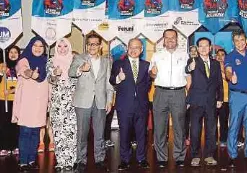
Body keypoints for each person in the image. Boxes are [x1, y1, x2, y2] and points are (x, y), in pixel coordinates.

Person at [68, 34, 114, 172]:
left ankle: (100, 159)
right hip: (82, 102)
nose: (92, 46)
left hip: (100, 101)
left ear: (100, 46)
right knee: (82, 133)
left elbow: (108, 82)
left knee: (100, 134)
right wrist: (81, 69)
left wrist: (110, 100)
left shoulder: (107, 61)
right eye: (89, 44)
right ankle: (81, 160)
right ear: (86, 45)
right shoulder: (79, 58)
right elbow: (71, 72)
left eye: (95, 44)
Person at [149, 29, 190, 168]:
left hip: (179, 93)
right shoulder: (156, 55)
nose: (170, 40)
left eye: (173, 38)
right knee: (160, 127)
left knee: (179, 127)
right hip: (160, 93)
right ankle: (161, 157)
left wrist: (189, 95)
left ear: (177, 39)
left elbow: (188, 76)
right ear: (163, 40)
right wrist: (152, 73)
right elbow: (152, 74)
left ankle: (179, 156)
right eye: (167, 38)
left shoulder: (184, 55)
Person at [110, 38, 151, 170]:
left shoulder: (146, 65)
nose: (134, 50)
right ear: (127, 48)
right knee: (125, 133)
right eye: (131, 47)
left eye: (137, 47)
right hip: (124, 105)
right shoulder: (118, 64)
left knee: (141, 133)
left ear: (141, 49)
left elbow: (147, 84)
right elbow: (112, 80)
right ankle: (125, 159)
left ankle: (141, 158)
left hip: (141, 105)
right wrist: (118, 78)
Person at [12, 36, 49, 171]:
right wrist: (30, 73)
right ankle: (23, 161)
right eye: (35, 45)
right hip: (27, 103)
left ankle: (32, 160)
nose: (38, 48)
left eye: (41, 46)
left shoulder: (46, 62)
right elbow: (22, 69)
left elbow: (50, 81)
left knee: (35, 133)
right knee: (25, 132)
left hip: (40, 103)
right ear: (30, 46)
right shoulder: (24, 60)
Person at [186, 37, 223, 167]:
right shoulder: (193, 60)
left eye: (206, 46)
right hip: (197, 101)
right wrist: (190, 67)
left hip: (211, 102)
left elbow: (219, 83)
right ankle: (195, 156)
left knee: (211, 130)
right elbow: (187, 69)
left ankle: (209, 155)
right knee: (195, 130)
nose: (203, 48)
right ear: (197, 48)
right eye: (200, 46)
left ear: (210, 47)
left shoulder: (216, 63)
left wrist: (220, 98)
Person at [225, 29, 247, 168]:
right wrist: (230, 76)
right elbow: (227, 71)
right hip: (237, 96)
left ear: (246, 41)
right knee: (234, 126)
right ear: (233, 42)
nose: (240, 43)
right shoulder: (230, 56)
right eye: (237, 41)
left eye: (242, 40)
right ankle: (232, 155)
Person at [46, 39, 77, 171]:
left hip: (73, 101)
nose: (62, 49)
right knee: (58, 131)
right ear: (56, 48)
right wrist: (55, 74)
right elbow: (50, 79)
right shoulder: (51, 61)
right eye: (59, 46)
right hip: (57, 101)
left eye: (65, 46)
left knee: (71, 131)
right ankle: (61, 161)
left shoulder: (75, 60)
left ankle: (71, 160)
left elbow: (79, 79)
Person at [0, 46, 20, 156]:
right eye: (11, 52)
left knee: (16, 124)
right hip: (3, 100)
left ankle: (15, 146)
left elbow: (23, 84)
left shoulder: (20, 66)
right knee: (4, 124)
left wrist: (11, 91)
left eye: (15, 52)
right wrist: (1, 73)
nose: (13, 54)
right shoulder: (2, 66)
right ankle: (4, 147)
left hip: (17, 99)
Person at [215, 49, 229, 148]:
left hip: (225, 99)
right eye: (218, 55)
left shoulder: (228, 68)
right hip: (213, 98)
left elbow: (233, 81)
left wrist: (223, 74)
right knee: (212, 121)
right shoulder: (212, 67)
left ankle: (224, 139)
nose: (220, 57)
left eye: (222, 55)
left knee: (224, 121)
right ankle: (214, 139)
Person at [185, 45, 198, 146]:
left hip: (199, 95)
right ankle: (186, 137)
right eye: (191, 51)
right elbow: (188, 81)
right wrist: (189, 99)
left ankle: (193, 139)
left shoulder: (204, 62)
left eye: (195, 50)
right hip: (188, 94)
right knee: (186, 118)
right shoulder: (188, 62)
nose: (193, 52)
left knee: (195, 120)